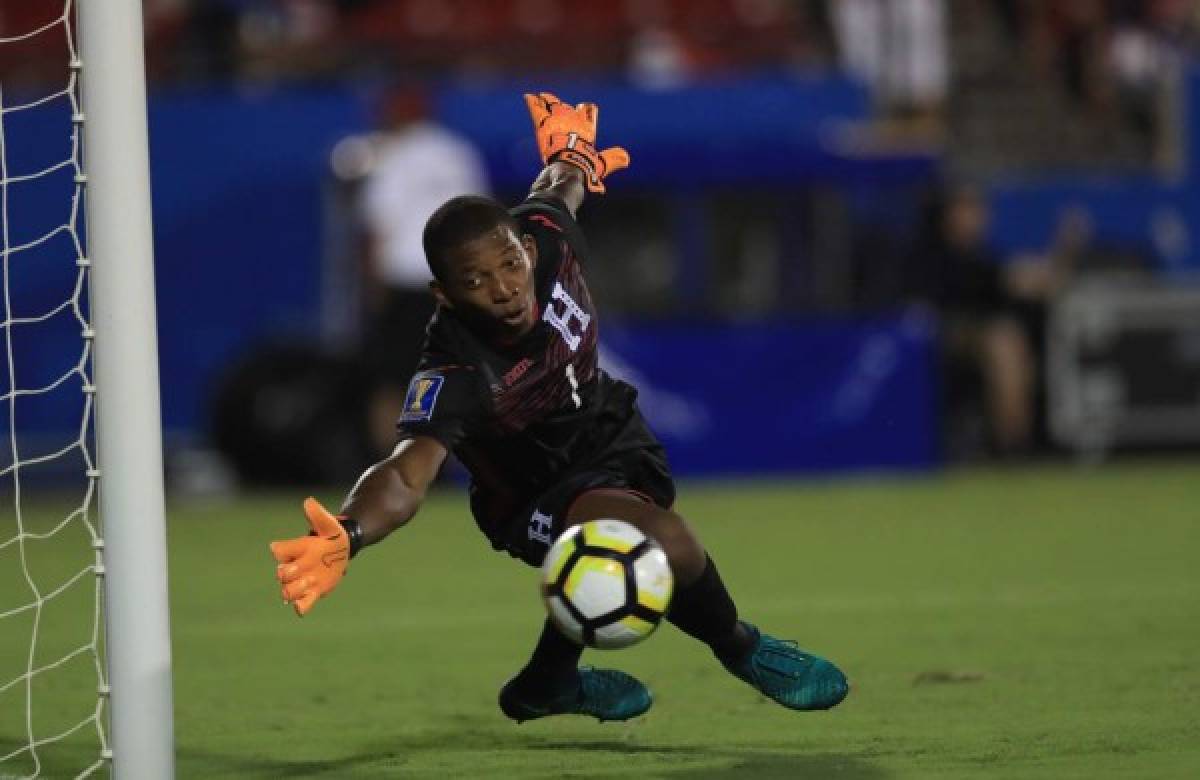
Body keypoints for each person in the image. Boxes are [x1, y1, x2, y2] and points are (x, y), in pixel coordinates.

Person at [269, 92, 849, 722]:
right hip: (532, 491)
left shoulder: (545, 239)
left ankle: (546, 683)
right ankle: (741, 648)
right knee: (664, 543)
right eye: (475, 281)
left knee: (607, 567)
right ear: (445, 294)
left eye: (508, 264)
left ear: (525, 246)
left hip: (607, 432)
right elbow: (407, 472)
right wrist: (350, 533)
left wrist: (572, 155)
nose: (504, 288)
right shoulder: (455, 369)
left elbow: (560, 187)